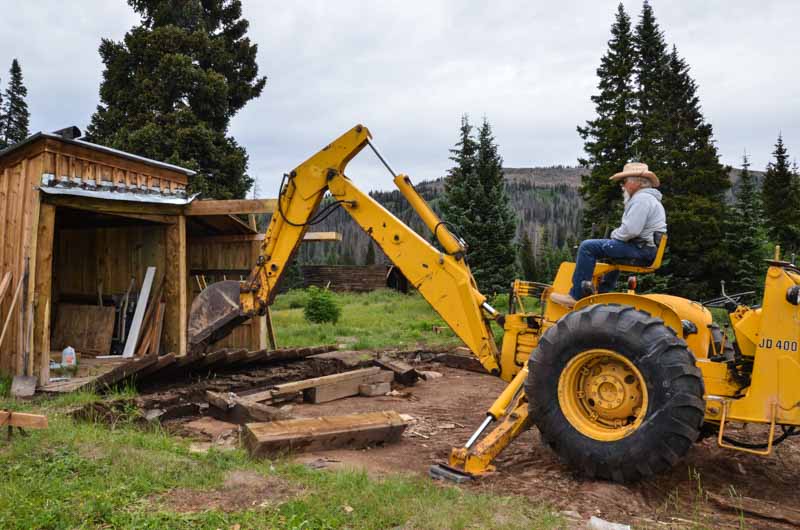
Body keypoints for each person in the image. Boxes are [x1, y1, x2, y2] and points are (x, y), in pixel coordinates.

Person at [550, 162, 667, 308]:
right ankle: (603, 292)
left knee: (587, 247)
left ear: (637, 182)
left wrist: (614, 235)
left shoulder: (641, 200)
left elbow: (631, 230)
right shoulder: (650, 199)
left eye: (624, 182)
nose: (622, 186)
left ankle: (576, 296)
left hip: (641, 249)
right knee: (613, 252)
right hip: (646, 249)